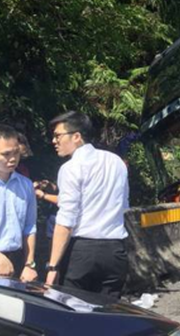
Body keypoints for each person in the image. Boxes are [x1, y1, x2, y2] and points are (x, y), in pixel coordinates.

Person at [45, 112, 129, 298]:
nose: (54, 141)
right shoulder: (116, 162)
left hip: (82, 252)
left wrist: (53, 266)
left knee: (73, 315)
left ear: (76, 136)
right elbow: (124, 206)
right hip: (115, 252)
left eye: (58, 135)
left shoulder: (71, 168)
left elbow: (66, 220)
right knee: (108, 315)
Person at [0, 124, 38, 281]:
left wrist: (29, 265)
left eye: (16, 153)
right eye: (6, 154)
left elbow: (30, 226)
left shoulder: (26, 185)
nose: (13, 159)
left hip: (16, 260)